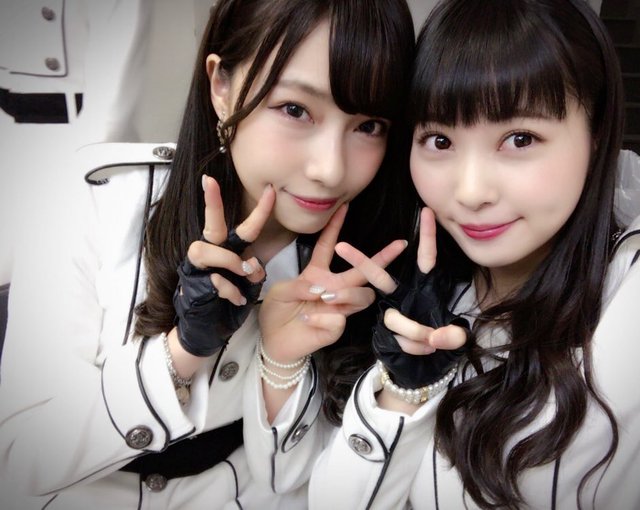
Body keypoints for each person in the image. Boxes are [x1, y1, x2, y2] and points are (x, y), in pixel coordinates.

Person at [0, 0, 416, 508]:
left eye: (369, 125)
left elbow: (295, 482)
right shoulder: (94, 199)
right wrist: (182, 352)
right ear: (221, 85)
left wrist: (282, 364)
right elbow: (18, 455)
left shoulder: (372, 263)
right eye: (295, 110)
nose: (330, 169)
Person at [308, 0, 640, 508]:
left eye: (520, 138)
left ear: (595, 135)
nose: (471, 191)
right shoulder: (421, 293)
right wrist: (402, 388)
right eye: (440, 140)